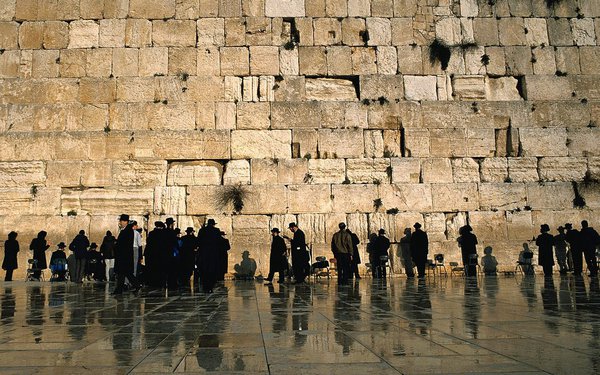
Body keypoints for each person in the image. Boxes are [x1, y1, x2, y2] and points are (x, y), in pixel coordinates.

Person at [113, 214, 140, 295]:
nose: (120, 222)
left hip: (124, 256)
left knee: (125, 273)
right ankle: (120, 290)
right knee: (124, 273)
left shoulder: (127, 231)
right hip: (123, 255)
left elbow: (124, 244)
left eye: (121, 221)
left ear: (125, 222)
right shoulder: (125, 230)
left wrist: (117, 245)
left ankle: (136, 285)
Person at [197, 219, 222, 293]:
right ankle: (210, 286)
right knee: (212, 270)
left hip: (204, 254)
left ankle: (206, 286)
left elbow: (198, 241)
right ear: (213, 224)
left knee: (204, 270)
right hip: (213, 254)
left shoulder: (202, 230)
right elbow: (219, 242)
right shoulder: (216, 230)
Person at [144, 221, 169, 288]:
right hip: (161, 254)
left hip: (152, 254)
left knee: (153, 269)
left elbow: (148, 243)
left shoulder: (151, 233)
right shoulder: (164, 234)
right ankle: (161, 283)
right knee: (161, 269)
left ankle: (153, 282)